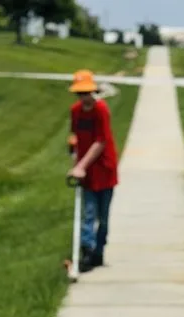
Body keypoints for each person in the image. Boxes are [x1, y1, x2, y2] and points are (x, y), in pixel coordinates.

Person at [67, 69, 119, 273]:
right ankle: (87, 250)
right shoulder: (75, 111)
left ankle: (99, 251)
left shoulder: (101, 110)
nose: (83, 98)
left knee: (103, 217)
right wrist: (74, 156)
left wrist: (81, 165)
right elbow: (75, 136)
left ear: (93, 91)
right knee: (88, 213)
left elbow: (100, 141)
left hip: (104, 168)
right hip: (86, 172)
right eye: (80, 94)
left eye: (86, 93)